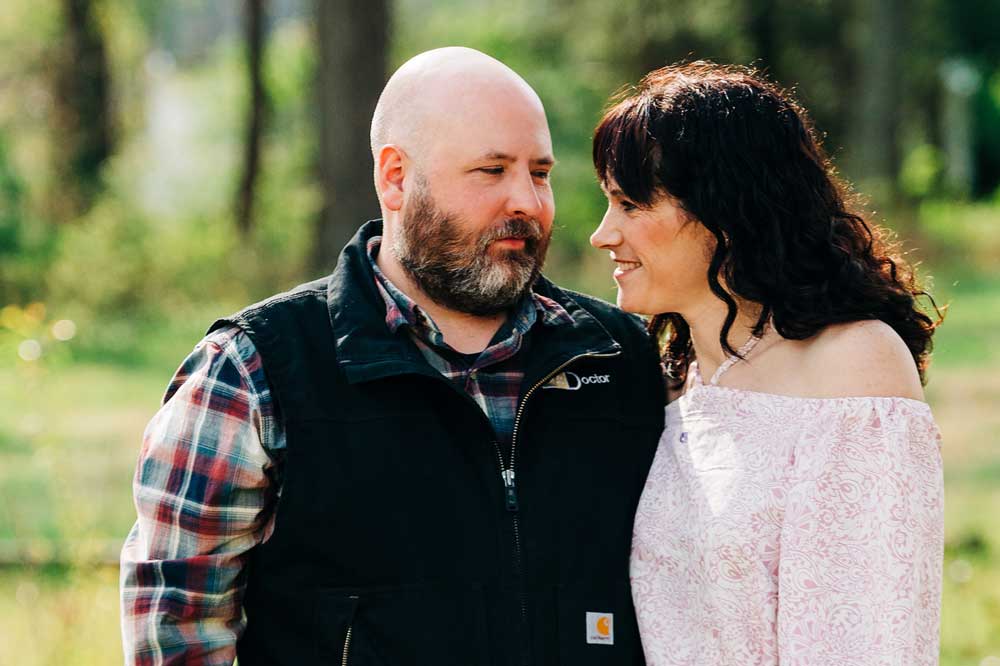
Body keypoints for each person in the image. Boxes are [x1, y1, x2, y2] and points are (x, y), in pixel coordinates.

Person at [120, 47, 665, 666]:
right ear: (396, 176)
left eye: (539, 173)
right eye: (491, 170)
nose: (528, 202)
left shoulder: (627, 358)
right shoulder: (252, 370)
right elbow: (178, 633)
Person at [589, 62, 944, 665]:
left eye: (630, 204)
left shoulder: (851, 368)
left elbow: (866, 642)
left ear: (721, 205)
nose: (603, 234)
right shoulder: (670, 383)